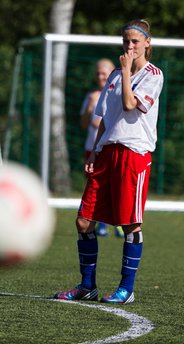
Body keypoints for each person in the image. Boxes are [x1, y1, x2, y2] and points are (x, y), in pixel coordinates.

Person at [54, 19, 164, 304]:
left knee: (129, 224)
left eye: (135, 41)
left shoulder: (153, 75)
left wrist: (127, 72)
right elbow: (104, 118)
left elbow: (129, 105)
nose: (129, 46)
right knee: (83, 221)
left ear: (147, 43)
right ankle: (86, 285)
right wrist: (94, 151)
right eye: (126, 41)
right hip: (106, 154)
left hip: (134, 154)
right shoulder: (115, 74)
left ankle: (126, 289)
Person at [80, 58, 124, 238]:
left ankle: (119, 223)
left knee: (116, 186)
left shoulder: (119, 93)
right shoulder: (91, 97)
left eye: (104, 73)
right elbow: (84, 124)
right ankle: (100, 224)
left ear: (112, 73)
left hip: (110, 147)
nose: (100, 76)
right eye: (98, 73)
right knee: (96, 187)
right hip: (92, 148)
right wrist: (90, 107)